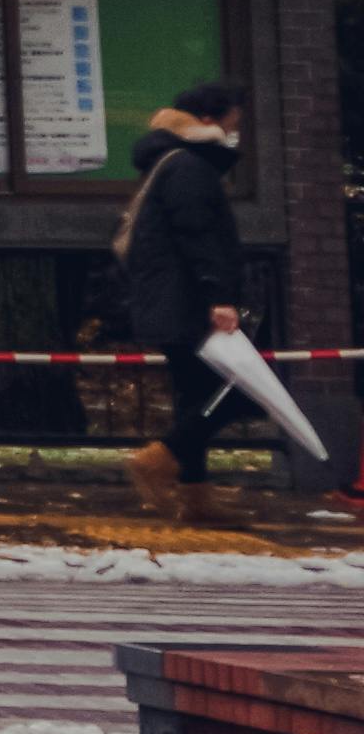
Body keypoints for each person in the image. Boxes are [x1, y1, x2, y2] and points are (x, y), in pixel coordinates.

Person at [119, 77, 259, 511]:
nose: (237, 128)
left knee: (195, 396)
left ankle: (196, 498)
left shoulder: (172, 162)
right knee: (234, 392)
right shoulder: (188, 167)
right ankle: (159, 458)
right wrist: (219, 297)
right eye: (234, 119)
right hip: (186, 300)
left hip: (171, 298)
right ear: (209, 119)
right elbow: (198, 235)